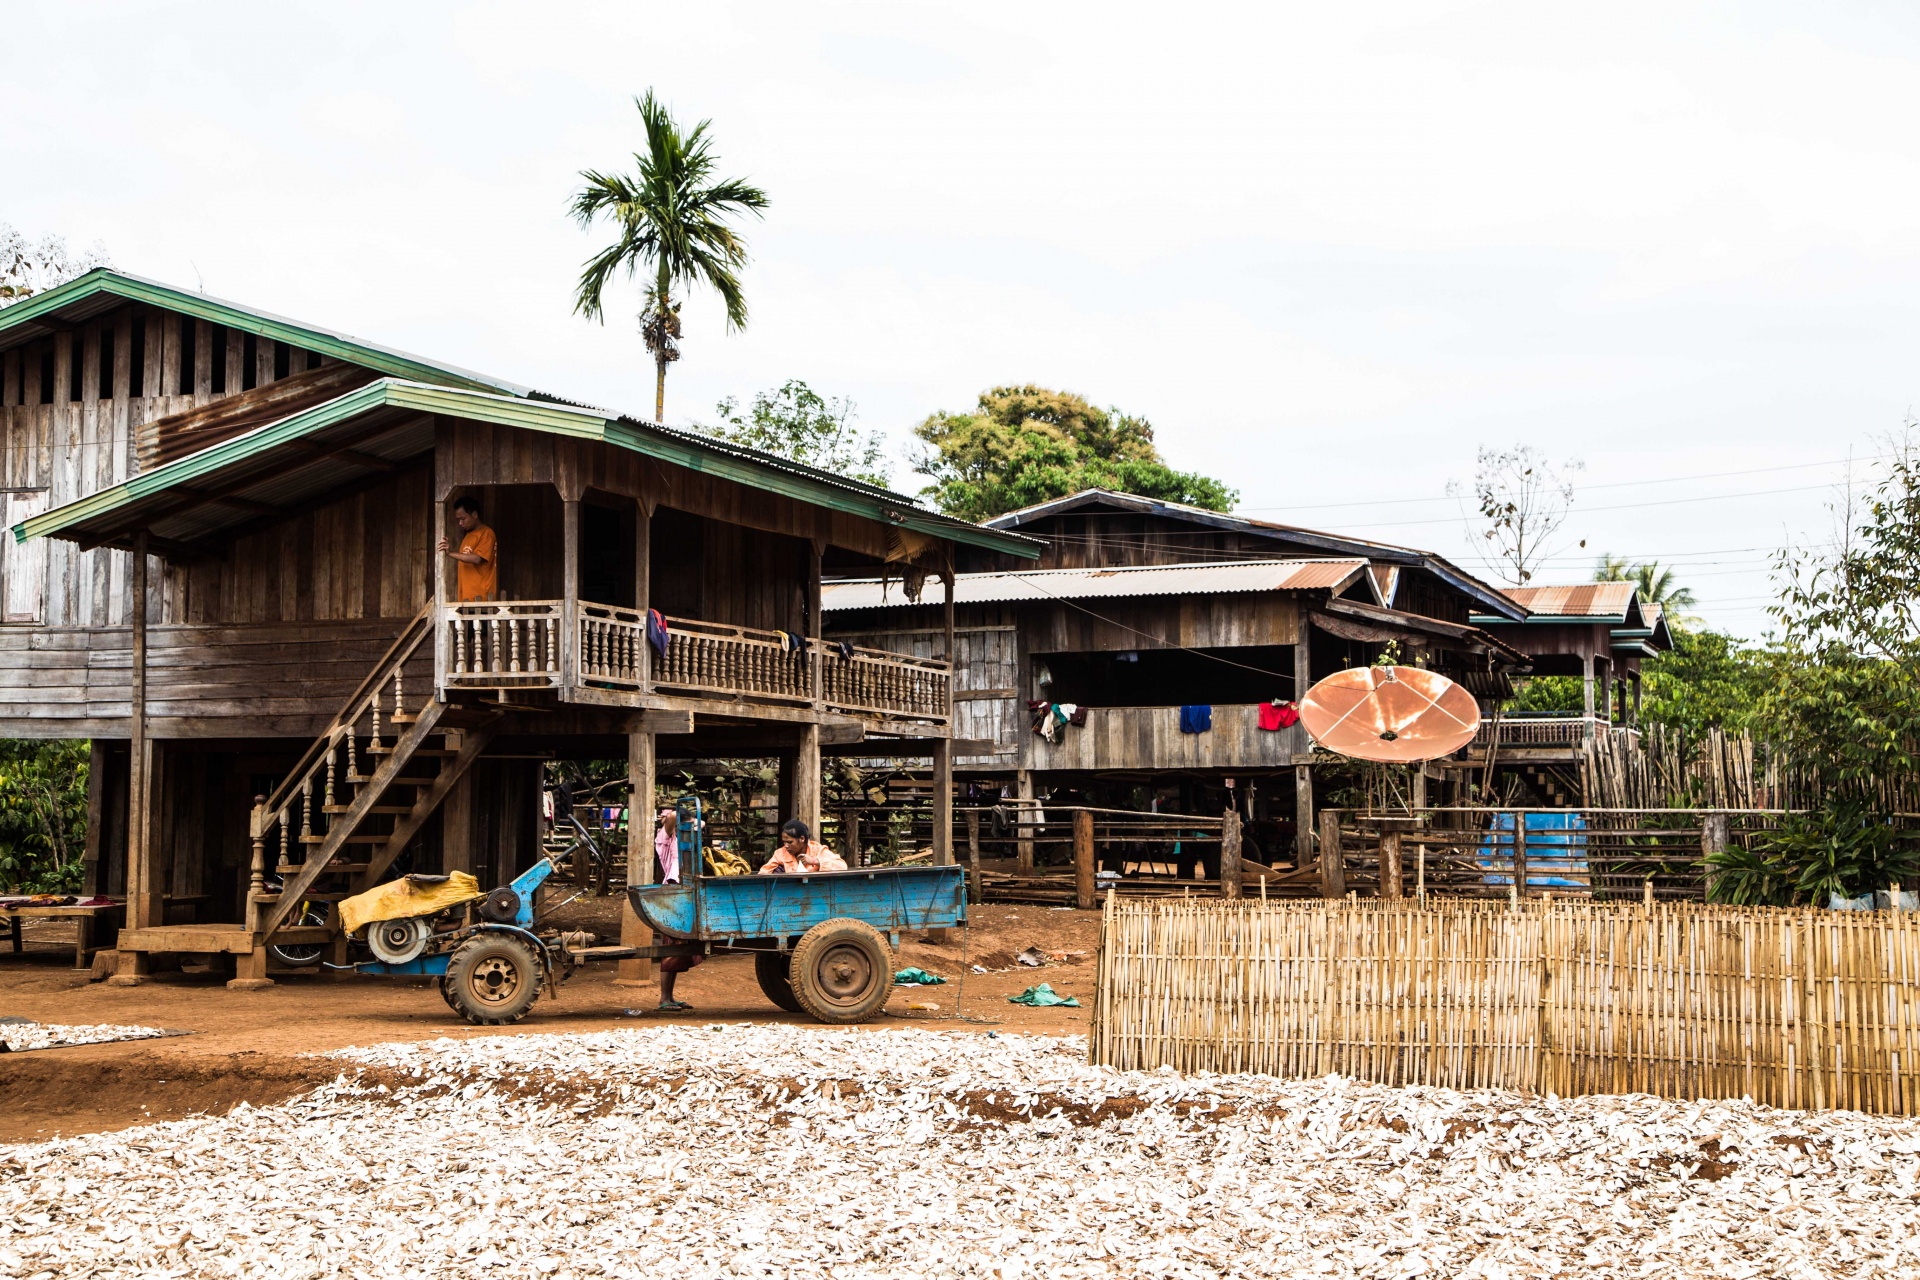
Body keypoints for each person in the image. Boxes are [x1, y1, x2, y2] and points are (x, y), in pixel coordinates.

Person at [437, 495, 497, 602]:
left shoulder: (487, 533)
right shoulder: (468, 536)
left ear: (474, 514)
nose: (460, 523)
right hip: (467, 599)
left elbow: (477, 559)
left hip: (481, 599)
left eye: (463, 519)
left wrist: (450, 553)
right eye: (459, 520)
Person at [757, 819, 848, 874]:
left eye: (790, 842)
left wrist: (815, 861)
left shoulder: (818, 850)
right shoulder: (781, 853)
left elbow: (842, 866)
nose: (786, 846)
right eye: (784, 842)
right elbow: (764, 872)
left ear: (802, 839)